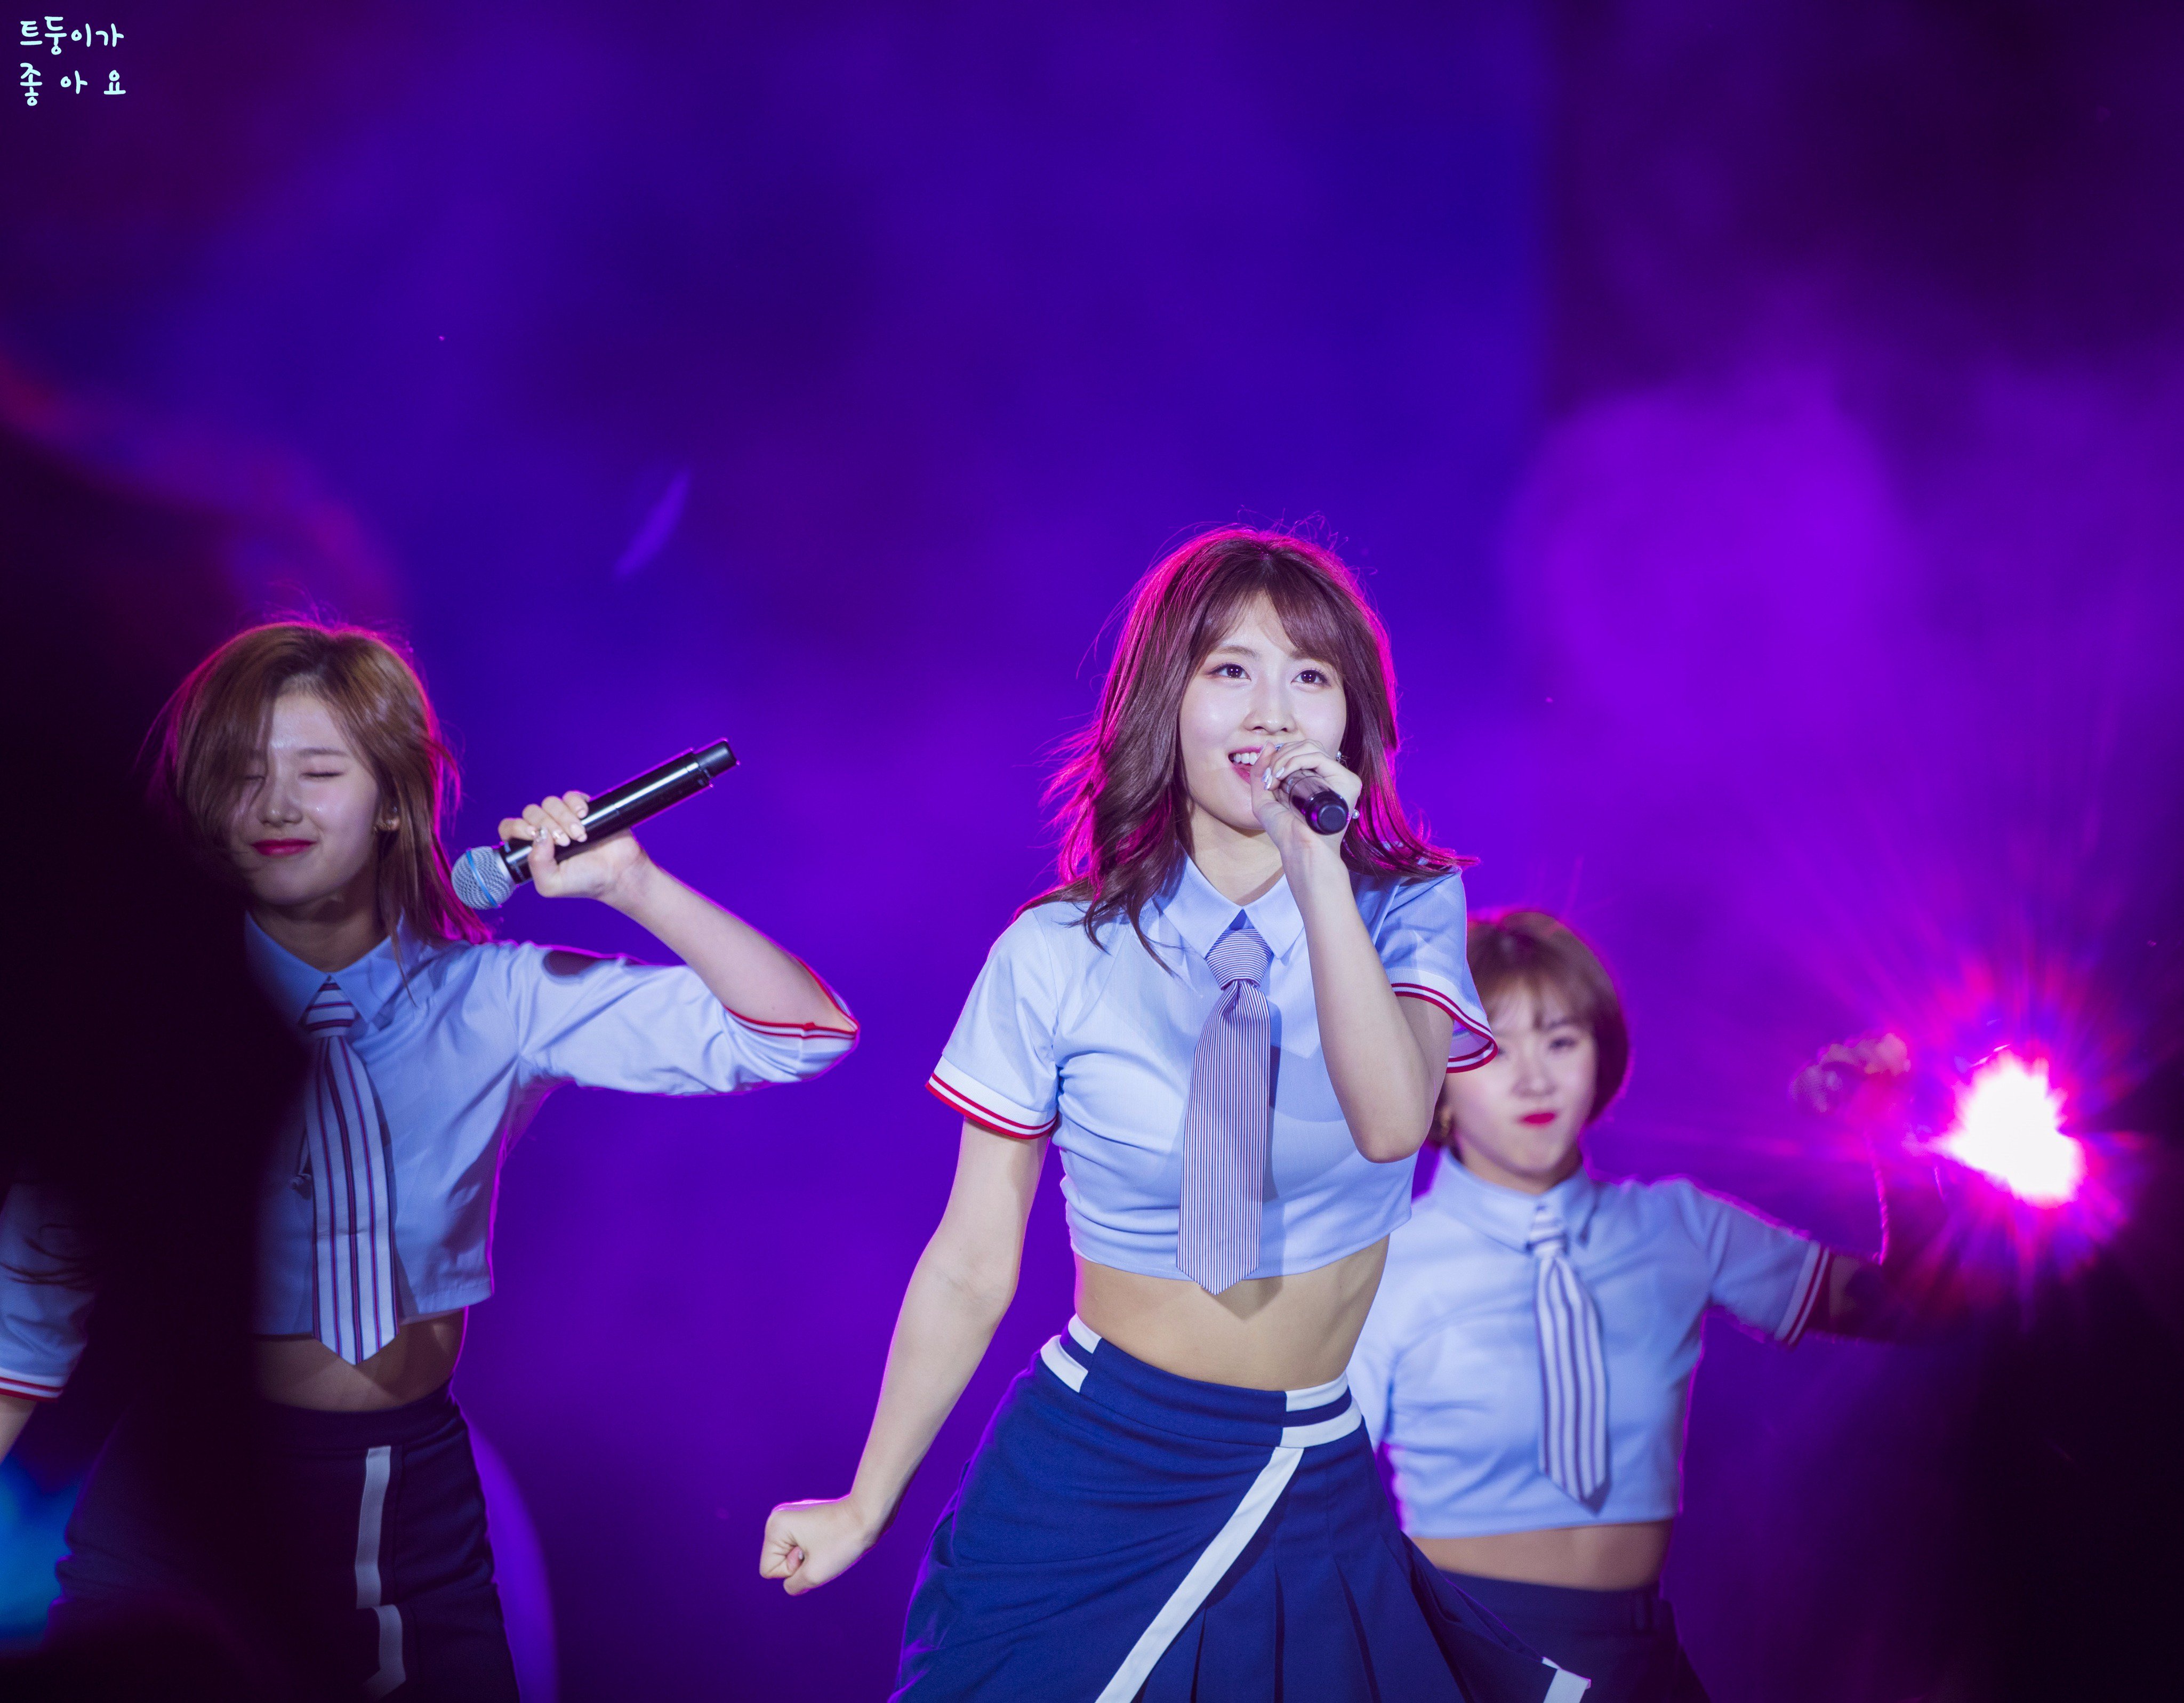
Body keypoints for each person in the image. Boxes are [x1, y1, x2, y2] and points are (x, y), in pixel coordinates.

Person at [762, 529, 1585, 1701]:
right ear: (1167, 698)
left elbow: (1394, 1123)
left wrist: (1314, 865)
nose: (1273, 710)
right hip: (1092, 1457)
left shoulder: (1406, 910)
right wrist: (865, 1499)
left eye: (1310, 675)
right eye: (1230, 669)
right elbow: (970, 1260)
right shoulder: (1056, 949)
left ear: (1351, 718)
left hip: (1304, 1471)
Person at [0, 619, 857, 1699]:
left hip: (404, 1498)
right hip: (180, 1500)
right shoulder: (152, 1020)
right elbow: (22, 1324)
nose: (276, 804)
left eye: (319, 772)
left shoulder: (494, 998)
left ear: (394, 803)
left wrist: (633, 887)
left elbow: (804, 1037)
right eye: (243, 775)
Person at [1346, 909, 1946, 1702]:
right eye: (1493, 1048)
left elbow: (1918, 1312)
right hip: (1462, 1663)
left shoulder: (1677, 1227)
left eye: (1561, 1041)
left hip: (1638, 1663)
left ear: (1600, 1062)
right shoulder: (1387, 1263)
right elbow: (1317, 1502)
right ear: (1437, 1085)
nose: (1534, 1078)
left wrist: (1890, 1136)